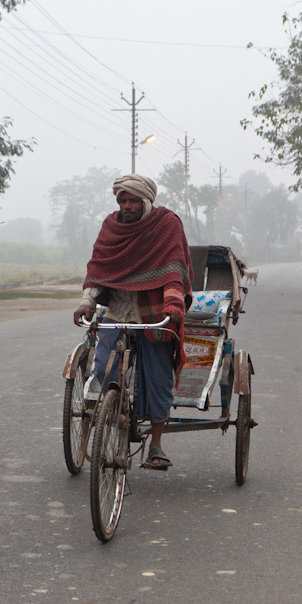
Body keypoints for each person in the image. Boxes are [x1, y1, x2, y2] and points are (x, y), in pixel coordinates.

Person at [72, 174, 193, 470]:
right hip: (118, 309)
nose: (127, 206)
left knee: (158, 377)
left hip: (154, 312)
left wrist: (174, 305)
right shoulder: (111, 227)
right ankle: (117, 412)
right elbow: (99, 267)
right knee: (102, 367)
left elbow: (173, 270)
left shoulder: (166, 224)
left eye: (133, 201)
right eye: (122, 200)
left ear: (146, 201)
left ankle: (156, 445)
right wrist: (87, 301)